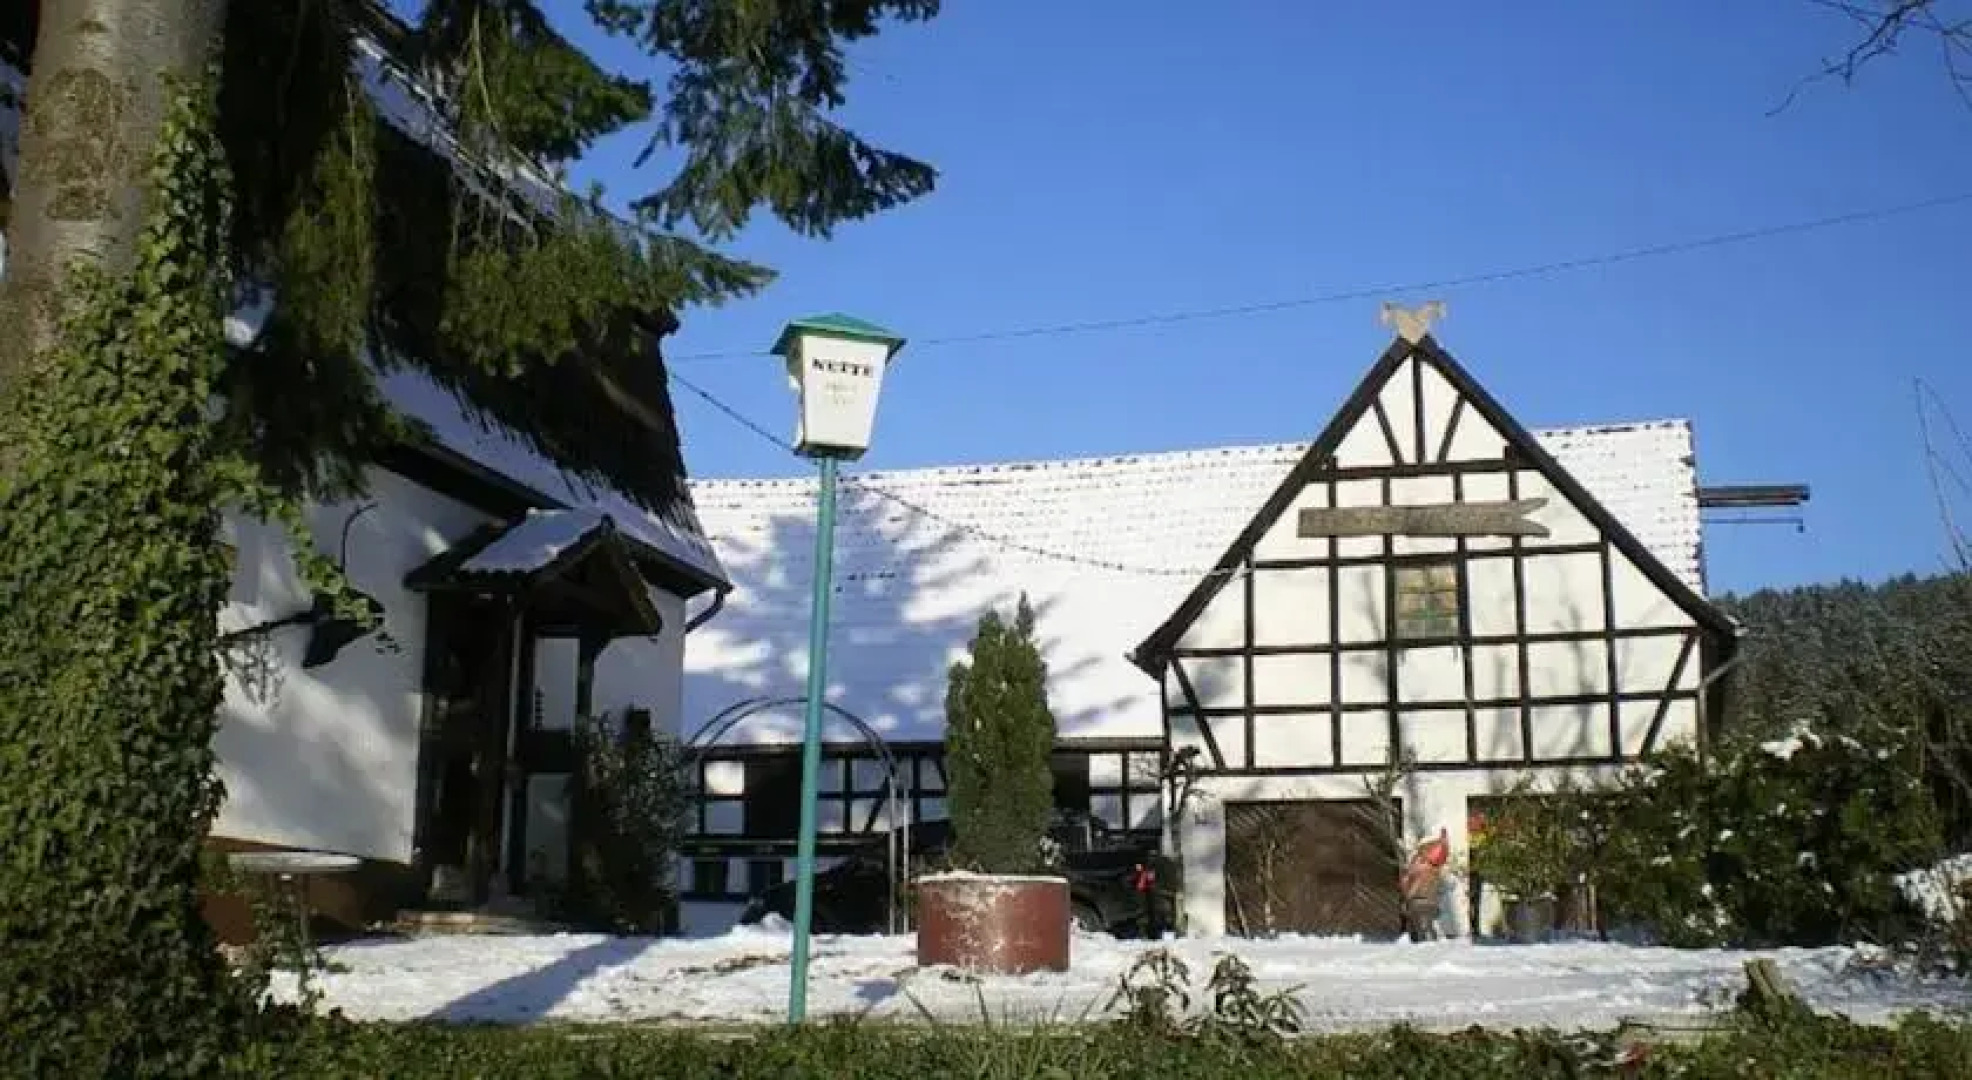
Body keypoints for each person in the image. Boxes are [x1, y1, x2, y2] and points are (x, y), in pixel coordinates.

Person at [1398, 827, 1449, 941]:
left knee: (1425, 931)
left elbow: (1440, 853)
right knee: (1417, 932)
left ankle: (1430, 949)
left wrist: (1443, 841)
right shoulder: (1417, 861)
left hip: (1425, 900)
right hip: (1415, 902)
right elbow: (1406, 882)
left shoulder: (1431, 862)